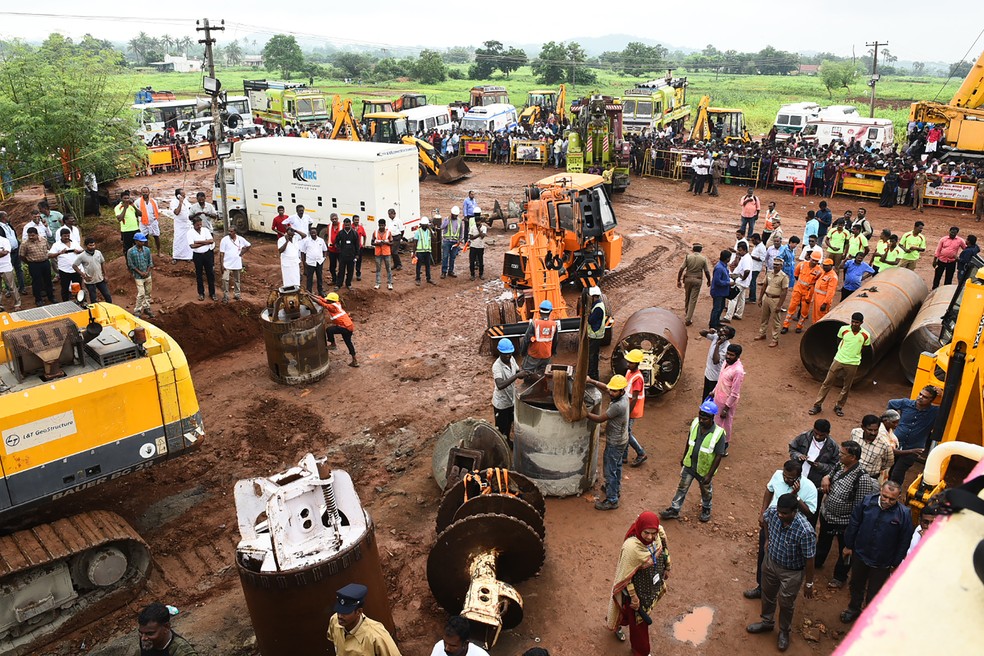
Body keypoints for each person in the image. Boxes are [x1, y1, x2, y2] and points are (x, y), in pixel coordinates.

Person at [746, 494, 816, 653]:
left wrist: (809, 583)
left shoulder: (805, 531)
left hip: (791, 573)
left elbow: (810, 558)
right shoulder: (773, 512)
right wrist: (767, 540)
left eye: (784, 513)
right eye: (779, 511)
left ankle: (784, 631)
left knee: (786, 603)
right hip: (770, 563)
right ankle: (767, 622)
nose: (780, 515)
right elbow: (765, 520)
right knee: (768, 594)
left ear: (794, 511)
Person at [744, 460, 818, 600]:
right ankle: (761, 587)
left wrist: (795, 496)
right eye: (785, 476)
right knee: (764, 555)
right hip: (772, 524)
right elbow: (769, 489)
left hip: (792, 530)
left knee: (786, 562)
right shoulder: (778, 475)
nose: (786, 479)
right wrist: (762, 512)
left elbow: (810, 513)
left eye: (790, 478)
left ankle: (783, 593)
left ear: (799, 477)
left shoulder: (810, 487)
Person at [840, 481, 914, 623]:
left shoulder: (904, 514)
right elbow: (854, 523)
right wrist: (848, 545)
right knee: (856, 584)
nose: (887, 501)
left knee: (874, 592)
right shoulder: (867, 502)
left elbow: (904, 541)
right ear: (880, 490)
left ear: (898, 498)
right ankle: (853, 608)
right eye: (884, 496)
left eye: (892, 499)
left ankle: (868, 617)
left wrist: (896, 562)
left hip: (882, 562)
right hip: (860, 555)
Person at [815, 441, 880, 590]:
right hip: (827, 515)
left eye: (842, 454)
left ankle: (840, 576)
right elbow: (829, 475)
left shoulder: (862, 478)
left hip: (844, 522)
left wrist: (853, 528)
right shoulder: (839, 465)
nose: (839, 456)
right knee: (823, 540)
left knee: (845, 550)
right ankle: (818, 561)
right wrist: (826, 478)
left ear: (852, 457)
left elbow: (859, 507)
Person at [605, 511, 671, 655]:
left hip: (651, 588)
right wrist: (634, 597)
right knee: (639, 625)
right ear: (640, 528)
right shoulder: (631, 547)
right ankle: (641, 651)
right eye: (646, 532)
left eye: (653, 533)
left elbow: (665, 549)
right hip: (637, 596)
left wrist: (667, 567)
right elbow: (625, 577)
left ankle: (617, 625)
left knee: (627, 614)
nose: (650, 537)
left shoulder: (659, 533)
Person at [660, 398, 727, 522]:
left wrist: (709, 474)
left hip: (704, 469)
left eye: (705, 418)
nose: (701, 420)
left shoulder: (719, 434)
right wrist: (684, 456)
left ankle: (706, 508)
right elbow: (689, 440)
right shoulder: (695, 423)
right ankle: (675, 509)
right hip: (690, 465)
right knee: (682, 487)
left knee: (706, 490)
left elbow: (718, 456)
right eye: (700, 416)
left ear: (712, 418)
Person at [809, 312, 870, 418]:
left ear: (861, 323)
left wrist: (854, 355)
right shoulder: (844, 329)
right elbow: (838, 340)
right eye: (853, 321)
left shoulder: (865, 335)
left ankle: (839, 406)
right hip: (838, 359)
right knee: (827, 382)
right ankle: (817, 405)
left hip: (853, 363)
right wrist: (842, 352)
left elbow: (865, 348)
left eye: (857, 322)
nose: (854, 324)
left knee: (847, 386)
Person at [586, 374, 630, 511]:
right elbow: (606, 388)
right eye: (611, 390)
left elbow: (600, 419)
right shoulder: (622, 396)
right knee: (617, 467)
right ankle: (615, 489)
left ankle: (612, 500)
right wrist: (591, 380)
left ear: (621, 391)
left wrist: (585, 413)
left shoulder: (618, 405)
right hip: (622, 440)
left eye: (614, 391)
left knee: (610, 470)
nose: (611, 392)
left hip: (615, 443)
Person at [788, 419, 840, 525]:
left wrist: (820, 466)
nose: (817, 437)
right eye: (816, 433)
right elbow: (792, 449)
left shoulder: (832, 447)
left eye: (822, 435)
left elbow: (835, 466)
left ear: (828, 433)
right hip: (797, 480)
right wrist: (798, 456)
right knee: (791, 504)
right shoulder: (804, 437)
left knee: (811, 512)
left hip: (816, 486)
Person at [327, 583, 401, 655]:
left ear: (359, 612)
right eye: (338, 611)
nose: (339, 616)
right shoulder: (335, 621)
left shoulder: (376, 636)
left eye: (345, 612)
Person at [887, 386, 940, 484]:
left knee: (897, 473)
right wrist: (891, 421)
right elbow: (891, 403)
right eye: (920, 394)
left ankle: (893, 493)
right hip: (896, 443)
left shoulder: (934, 412)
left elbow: (948, 409)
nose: (920, 397)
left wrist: (943, 394)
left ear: (931, 400)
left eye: (925, 397)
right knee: (887, 469)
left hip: (914, 448)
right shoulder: (906, 403)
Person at [492, 338, 526, 441]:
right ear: (499, 352)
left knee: (510, 423)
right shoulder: (497, 366)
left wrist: (523, 374)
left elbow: (516, 372)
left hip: (511, 400)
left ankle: (508, 441)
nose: (508, 356)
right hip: (501, 404)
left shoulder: (511, 359)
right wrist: (517, 376)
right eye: (505, 354)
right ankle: (503, 446)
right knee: (501, 429)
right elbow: (500, 384)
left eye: (510, 353)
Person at [713, 344, 744, 449]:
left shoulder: (738, 371)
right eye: (728, 353)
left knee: (725, 425)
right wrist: (714, 391)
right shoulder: (726, 362)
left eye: (732, 355)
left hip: (726, 403)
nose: (728, 356)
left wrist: (726, 408)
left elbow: (735, 393)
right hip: (717, 398)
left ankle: (724, 447)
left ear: (738, 356)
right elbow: (720, 379)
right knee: (716, 422)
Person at [782, 252, 822, 334]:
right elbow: (796, 275)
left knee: (804, 310)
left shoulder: (819, 271)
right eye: (813, 260)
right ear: (810, 258)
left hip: (808, 292)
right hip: (798, 289)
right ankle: (785, 326)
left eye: (816, 261)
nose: (814, 262)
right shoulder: (801, 265)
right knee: (792, 307)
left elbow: (818, 282)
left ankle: (799, 326)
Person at [755, 257, 789, 348]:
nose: (775, 266)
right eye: (774, 264)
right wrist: (760, 298)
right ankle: (762, 333)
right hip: (767, 297)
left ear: (781, 266)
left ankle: (775, 339)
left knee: (776, 321)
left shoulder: (784, 277)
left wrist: (779, 305)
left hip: (776, 299)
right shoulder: (769, 273)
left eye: (777, 265)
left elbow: (784, 291)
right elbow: (764, 286)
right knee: (764, 317)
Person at [622, 349, 648, 467]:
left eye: (631, 362)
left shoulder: (637, 378)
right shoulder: (629, 372)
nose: (628, 364)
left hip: (632, 409)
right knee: (626, 432)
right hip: (627, 407)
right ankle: (624, 457)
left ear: (637, 363)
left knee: (627, 433)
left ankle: (640, 452)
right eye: (628, 362)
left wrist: (628, 411)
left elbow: (635, 398)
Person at [851, 414, 895, 480]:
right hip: (851, 473)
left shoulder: (885, 445)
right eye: (870, 430)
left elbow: (889, 462)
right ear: (863, 427)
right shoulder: (855, 433)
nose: (873, 433)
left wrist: (875, 469)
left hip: (869, 478)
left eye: (876, 430)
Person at [521, 300, 560, 374]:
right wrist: (553, 352)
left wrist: (523, 352)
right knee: (543, 374)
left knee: (526, 372)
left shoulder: (534, 324)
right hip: (546, 355)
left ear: (539, 311)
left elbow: (526, 340)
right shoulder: (554, 324)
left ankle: (528, 384)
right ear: (550, 311)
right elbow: (555, 340)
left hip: (534, 355)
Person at [678, 242, 711, 326]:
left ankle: (687, 311)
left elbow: (681, 269)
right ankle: (688, 318)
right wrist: (709, 280)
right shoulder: (703, 259)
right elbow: (706, 271)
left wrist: (678, 280)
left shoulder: (688, 257)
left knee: (687, 296)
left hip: (688, 279)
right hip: (697, 280)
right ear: (701, 250)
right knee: (693, 299)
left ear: (693, 249)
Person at [19, 227, 55, 306]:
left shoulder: (43, 240)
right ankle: (38, 299)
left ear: (37, 234)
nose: (31, 237)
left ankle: (51, 297)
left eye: (32, 235)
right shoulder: (25, 244)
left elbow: (48, 249)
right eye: (29, 236)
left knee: (48, 281)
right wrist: (29, 262)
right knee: (36, 282)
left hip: (45, 263)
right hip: (34, 265)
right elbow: (22, 256)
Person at [323, 292, 359, 368]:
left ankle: (333, 344)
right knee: (348, 342)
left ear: (331, 301)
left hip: (344, 327)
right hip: (349, 327)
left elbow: (323, 303)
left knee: (329, 330)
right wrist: (313, 296)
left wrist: (312, 297)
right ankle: (355, 360)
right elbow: (323, 301)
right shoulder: (337, 303)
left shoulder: (332, 307)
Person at [48, 228, 83, 302]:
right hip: (64, 270)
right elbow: (50, 255)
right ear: (61, 236)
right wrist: (60, 253)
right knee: (65, 288)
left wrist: (78, 251)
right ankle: (66, 302)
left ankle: (80, 301)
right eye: (65, 236)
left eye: (68, 235)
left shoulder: (74, 242)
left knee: (78, 287)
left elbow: (82, 250)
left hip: (76, 270)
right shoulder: (56, 245)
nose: (67, 237)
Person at [73, 237, 112, 303]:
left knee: (107, 295)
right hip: (89, 281)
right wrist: (83, 275)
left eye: (93, 245)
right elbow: (74, 266)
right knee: (93, 298)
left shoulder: (98, 253)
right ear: (86, 246)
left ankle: (111, 309)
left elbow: (102, 263)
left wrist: (105, 275)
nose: (92, 247)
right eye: (90, 245)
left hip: (100, 278)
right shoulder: (82, 256)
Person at [700, 325, 733, 400]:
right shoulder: (715, 336)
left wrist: (718, 345)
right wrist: (708, 331)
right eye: (722, 328)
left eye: (724, 331)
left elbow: (715, 361)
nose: (721, 330)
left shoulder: (726, 347)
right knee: (705, 394)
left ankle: (709, 411)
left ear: (726, 337)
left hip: (715, 377)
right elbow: (701, 333)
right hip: (708, 373)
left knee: (712, 397)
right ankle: (703, 410)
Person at [218, 225, 251, 303]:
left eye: (231, 231)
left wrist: (242, 253)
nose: (229, 233)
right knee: (225, 279)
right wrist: (221, 265)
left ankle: (237, 295)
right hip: (227, 263)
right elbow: (221, 253)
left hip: (236, 263)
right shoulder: (224, 240)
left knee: (237, 280)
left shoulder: (240, 239)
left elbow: (248, 245)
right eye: (229, 231)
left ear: (235, 232)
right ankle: (226, 296)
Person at [187, 216, 216, 301]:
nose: (199, 226)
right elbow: (192, 245)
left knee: (210, 274)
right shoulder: (190, 233)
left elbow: (211, 241)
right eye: (197, 225)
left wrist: (198, 242)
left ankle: (212, 293)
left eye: (200, 224)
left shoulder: (205, 230)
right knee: (199, 275)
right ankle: (201, 293)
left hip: (207, 254)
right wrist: (205, 242)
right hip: (197, 256)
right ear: (194, 224)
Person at [127, 233, 155, 319]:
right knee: (141, 293)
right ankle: (137, 310)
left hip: (147, 275)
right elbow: (131, 265)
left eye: (143, 241)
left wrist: (147, 271)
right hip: (138, 276)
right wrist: (140, 272)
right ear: (136, 241)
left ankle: (147, 308)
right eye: (140, 241)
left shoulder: (147, 250)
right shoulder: (131, 251)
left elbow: (150, 262)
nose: (142, 243)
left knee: (148, 293)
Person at [724, 241, 751, 322]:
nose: (739, 252)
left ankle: (728, 317)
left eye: (740, 250)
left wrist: (742, 278)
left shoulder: (746, 259)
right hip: (743, 282)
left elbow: (747, 271)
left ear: (745, 250)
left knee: (733, 298)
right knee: (741, 298)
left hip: (740, 282)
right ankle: (738, 314)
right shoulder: (746, 257)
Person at [0, 211, 26, 296]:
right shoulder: (0, 228)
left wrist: (18, 245)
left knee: (19, 269)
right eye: (7, 216)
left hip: (16, 250)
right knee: (7, 271)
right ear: (3, 217)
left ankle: (22, 288)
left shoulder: (9, 225)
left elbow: (13, 236)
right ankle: (9, 290)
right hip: (7, 253)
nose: (8, 217)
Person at [298, 225, 327, 295]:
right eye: (312, 233)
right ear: (310, 233)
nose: (313, 234)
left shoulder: (321, 240)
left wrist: (324, 258)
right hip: (310, 262)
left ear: (317, 232)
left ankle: (320, 291)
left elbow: (325, 250)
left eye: (314, 232)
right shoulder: (307, 241)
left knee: (319, 277)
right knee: (309, 277)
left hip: (319, 262)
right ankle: (309, 291)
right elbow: (303, 252)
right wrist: (304, 261)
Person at [586, 286, 607, 380]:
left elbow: (591, 320)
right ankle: (592, 373)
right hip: (596, 334)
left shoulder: (598, 308)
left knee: (592, 356)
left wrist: (588, 315)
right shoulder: (598, 305)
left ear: (594, 296)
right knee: (593, 355)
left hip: (595, 335)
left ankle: (593, 375)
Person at [334, 218, 360, 289]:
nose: (347, 226)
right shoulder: (341, 233)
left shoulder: (355, 233)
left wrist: (357, 254)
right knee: (341, 270)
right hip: (342, 256)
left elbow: (357, 244)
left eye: (348, 225)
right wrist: (339, 249)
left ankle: (348, 284)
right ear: (344, 225)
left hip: (351, 256)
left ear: (350, 224)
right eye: (346, 225)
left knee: (350, 271)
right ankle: (339, 284)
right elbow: (336, 242)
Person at [709, 250, 732, 329]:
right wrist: (728, 283)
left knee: (721, 307)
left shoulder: (723, 266)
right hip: (718, 292)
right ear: (727, 258)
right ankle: (713, 324)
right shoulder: (719, 268)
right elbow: (717, 281)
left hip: (722, 292)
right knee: (717, 308)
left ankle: (716, 322)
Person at [441, 207, 466, 278]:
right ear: (451, 214)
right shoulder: (446, 219)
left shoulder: (459, 221)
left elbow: (461, 231)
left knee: (452, 257)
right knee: (445, 256)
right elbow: (442, 227)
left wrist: (460, 240)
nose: (455, 216)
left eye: (456, 215)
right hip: (447, 241)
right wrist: (447, 221)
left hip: (455, 242)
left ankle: (450, 271)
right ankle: (443, 272)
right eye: (454, 215)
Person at [169, 189, 193, 263]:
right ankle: (176, 256)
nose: (184, 196)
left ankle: (188, 256)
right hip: (179, 225)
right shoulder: (173, 202)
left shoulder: (186, 201)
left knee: (188, 239)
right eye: (183, 195)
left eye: (184, 194)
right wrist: (180, 202)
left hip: (187, 224)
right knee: (178, 240)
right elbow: (176, 212)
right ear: (178, 195)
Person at [811, 258, 838, 324]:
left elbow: (831, 292)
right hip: (817, 298)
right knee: (815, 315)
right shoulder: (824, 273)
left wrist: (825, 303)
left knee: (820, 316)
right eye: (824, 265)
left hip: (823, 300)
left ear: (831, 266)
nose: (824, 267)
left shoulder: (833, 277)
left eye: (827, 265)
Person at [137, 186, 162, 255]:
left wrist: (153, 219)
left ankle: (159, 252)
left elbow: (156, 211)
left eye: (146, 192)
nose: (145, 193)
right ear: (141, 193)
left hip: (153, 222)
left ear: (149, 192)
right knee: (145, 238)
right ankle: (147, 253)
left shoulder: (154, 201)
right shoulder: (138, 202)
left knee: (156, 236)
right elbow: (136, 211)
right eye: (143, 192)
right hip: (143, 223)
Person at [0, 230, 21, 310]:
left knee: (11, 286)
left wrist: (2, 253)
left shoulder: (4, 241)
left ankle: (17, 304)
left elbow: (5, 252)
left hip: (6, 267)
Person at [372, 218, 394, 291]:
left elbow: (392, 242)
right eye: (380, 225)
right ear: (378, 225)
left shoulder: (388, 233)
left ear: (385, 225)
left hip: (387, 253)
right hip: (378, 253)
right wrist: (377, 244)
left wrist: (386, 243)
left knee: (388, 268)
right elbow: (372, 242)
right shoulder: (375, 232)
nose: (381, 227)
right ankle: (378, 283)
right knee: (378, 269)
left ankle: (390, 283)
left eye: (382, 225)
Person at [467, 206, 487, 280]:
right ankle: (472, 275)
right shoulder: (472, 227)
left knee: (481, 262)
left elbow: (482, 237)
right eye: (476, 222)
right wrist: (479, 233)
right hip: (473, 246)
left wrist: (479, 231)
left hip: (480, 247)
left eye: (478, 222)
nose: (477, 223)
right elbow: (471, 237)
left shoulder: (484, 228)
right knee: (471, 262)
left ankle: (481, 274)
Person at [413, 217, 435, 285]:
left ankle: (428, 278)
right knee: (419, 266)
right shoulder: (418, 232)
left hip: (427, 251)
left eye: (426, 225)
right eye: (424, 225)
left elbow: (434, 237)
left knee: (428, 265)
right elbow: (415, 243)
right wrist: (414, 252)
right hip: (420, 252)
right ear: (421, 224)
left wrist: (430, 229)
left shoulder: (429, 231)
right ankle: (418, 279)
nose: (425, 226)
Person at [747, 233, 767, 304]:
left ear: (757, 240)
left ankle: (752, 298)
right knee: (751, 282)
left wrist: (751, 256)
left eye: (753, 240)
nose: (752, 242)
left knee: (752, 282)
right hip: (753, 267)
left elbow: (762, 258)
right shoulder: (757, 246)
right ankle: (751, 297)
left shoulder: (762, 247)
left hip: (756, 268)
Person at [325, 213, 343, 285]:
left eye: (335, 219)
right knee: (332, 266)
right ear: (330, 219)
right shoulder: (329, 226)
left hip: (340, 250)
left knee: (341, 266)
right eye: (333, 219)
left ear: (338, 218)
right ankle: (334, 280)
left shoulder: (342, 225)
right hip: (332, 250)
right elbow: (327, 236)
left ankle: (339, 281)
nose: (334, 220)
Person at [352, 216, 367, 281]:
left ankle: (358, 274)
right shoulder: (350, 227)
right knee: (351, 262)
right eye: (355, 220)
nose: (357, 221)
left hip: (359, 248)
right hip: (351, 248)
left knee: (359, 261)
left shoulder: (361, 227)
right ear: (353, 220)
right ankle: (349, 275)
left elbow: (365, 236)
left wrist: (364, 244)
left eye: (358, 220)